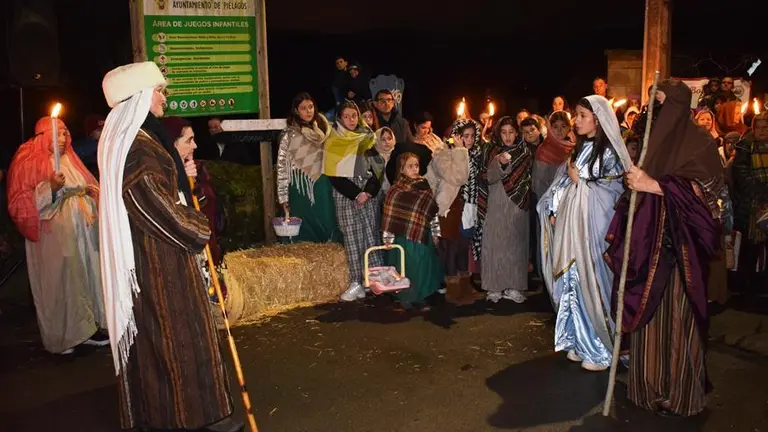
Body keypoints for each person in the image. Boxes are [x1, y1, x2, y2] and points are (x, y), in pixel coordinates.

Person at [97, 61, 240, 432]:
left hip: (154, 254)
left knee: (161, 342)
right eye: (159, 90)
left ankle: (181, 415)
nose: (164, 96)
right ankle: (184, 417)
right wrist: (197, 227)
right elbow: (152, 205)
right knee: (173, 340)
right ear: (140, 96)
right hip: (160, 261)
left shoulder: (135, 139)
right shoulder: (139, 148)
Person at [607, 80, 724, 417]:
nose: (656, 108)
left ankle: (680, 393)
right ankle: (648, 388)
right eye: (653, 102)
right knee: (648, 318)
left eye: (663, 101)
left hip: (679, 250)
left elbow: (710, 196)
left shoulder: (698, 141)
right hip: (647, 246)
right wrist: (633, 185)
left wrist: (654, 185)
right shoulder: (648, 140)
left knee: (677, 318)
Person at [538, 95, 631, 371]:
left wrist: (581, 181)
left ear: (598, 120)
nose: (575, 121)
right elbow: (566, 182)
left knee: (593, 282)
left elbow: (611, 193)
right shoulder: (579, 149)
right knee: (573, 282)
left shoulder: (610, 152)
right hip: (572, 228)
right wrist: (554, 207)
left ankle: (600, 347)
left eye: (581, 116)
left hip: (593, 230)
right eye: (576, 115)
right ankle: (580, 340)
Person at [6, 116, 107, 356]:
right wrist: (49, 188)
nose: (62, 139)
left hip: (82, 232)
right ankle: (64, 336)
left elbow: (88, 184)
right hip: (54, 237)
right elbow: (20, 202)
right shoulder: (27, 161)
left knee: (85, 278)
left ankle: (88, 330)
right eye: (56, 134)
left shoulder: (70, 159)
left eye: (65, 134)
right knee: (61, 283)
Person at [324, 101, 384, 301]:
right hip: (346, 196)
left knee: (370, 235)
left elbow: (377, 169)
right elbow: (334, 175)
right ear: (339, 118)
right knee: (352, 239)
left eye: (354, 116)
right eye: (347, 116)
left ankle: (374, 279)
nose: (351, 120)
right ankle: (356, 282)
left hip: (367, 196)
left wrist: (368, 192)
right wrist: (356, 194)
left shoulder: (366, 137)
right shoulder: (333, 141)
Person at [476, 117, 532, 303]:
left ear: (517, 133)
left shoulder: (524, 153)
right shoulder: (490, 150)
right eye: (503, 132)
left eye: (511, 132)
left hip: (517, 204)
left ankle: (514, 287)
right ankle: (493, 287)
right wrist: (498, 162)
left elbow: (526, 180)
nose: (507, 137)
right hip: (496, 200)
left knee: (515, 245)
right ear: (498, 133)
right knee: (494, 243)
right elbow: (486, 176)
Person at [277, 93, 342, 243]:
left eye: (311, 107)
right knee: (304, 231)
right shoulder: (289, 135)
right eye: (303, 108)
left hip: (323, 186)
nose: (308, 111)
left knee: (327, 223)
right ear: (296, 111)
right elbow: (281, 167)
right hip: (300, 188)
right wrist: (283, 197)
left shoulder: (326, 131)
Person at [382, 152, 443, 311]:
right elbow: (390, 216)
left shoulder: (424, 185)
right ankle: (405, 296)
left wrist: (436, 231)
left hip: (423, 234)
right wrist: (387, 238)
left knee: (422, 265)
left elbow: (432, 211)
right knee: (406, 266)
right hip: (404, 237)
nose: (415, 169)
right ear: (402, 169)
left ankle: (420, 296)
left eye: (416, 165)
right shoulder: (396, 190)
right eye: (410, 166)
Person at [731, 112, 768, 295]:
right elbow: (741, 174)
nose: (763, 131)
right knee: (750, 247)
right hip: (751, 206)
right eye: (759, 127)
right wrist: (761, 192)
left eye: (766, 127)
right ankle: (746, 286)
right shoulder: (745, 147)